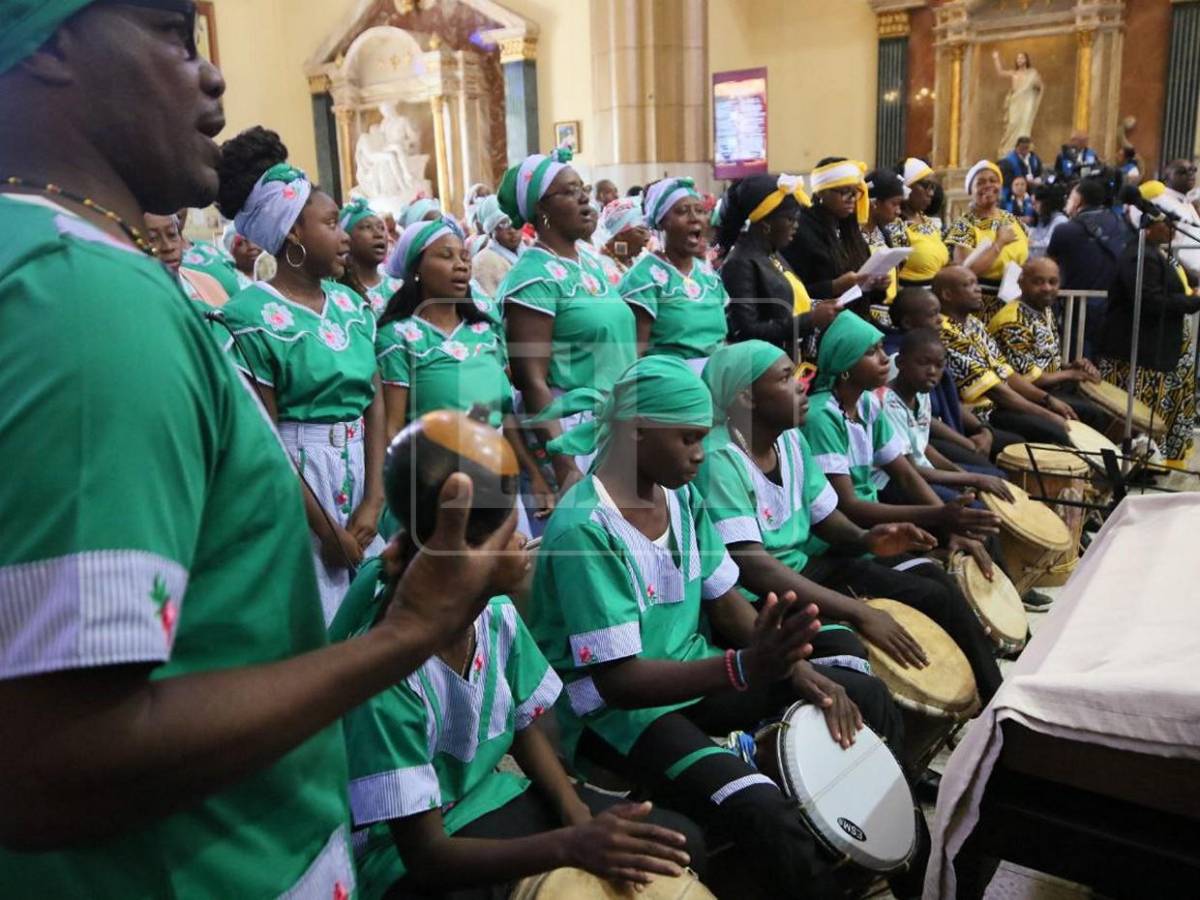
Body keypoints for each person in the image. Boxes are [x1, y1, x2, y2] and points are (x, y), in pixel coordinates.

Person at [0, 4, 519, 896]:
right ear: (48, 49)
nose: (211, 75)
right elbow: (58, 762)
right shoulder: (83, 292)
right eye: (168, 31)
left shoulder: (44, 261)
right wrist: (409, 634)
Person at [529, 355, 848, 899]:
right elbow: (619, 683)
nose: (702, 453)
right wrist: (743, 667)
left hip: (688, 674)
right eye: (689, 439)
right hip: (617, 716)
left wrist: (791, 669)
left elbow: (725, 603)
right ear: (637, 433)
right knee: (761, 807)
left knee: (846, 684)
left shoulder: (681, 497)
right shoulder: (585, 526)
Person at [333, 483, 702, 900]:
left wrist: (576, 813)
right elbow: (426, 855)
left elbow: (524, 722)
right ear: (463, 556)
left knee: (679, 843)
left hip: (493, 799)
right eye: (507, 534)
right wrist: (568, 846)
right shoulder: (387, 679)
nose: (524, 538)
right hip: (408, 859)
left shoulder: (497, 615)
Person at [217, 127, 386, 625]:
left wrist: (375, 499)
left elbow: (373, 401)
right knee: (319, 625)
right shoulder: (248, 314)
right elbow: (263, 440)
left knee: (376, 630)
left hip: (362, 476)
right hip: (300, 489)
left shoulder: (352, 306)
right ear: (293, 231)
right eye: (331, 223)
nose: (344, 236)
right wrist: (325, 530)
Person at [801, 313, 1004, 704]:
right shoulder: (823, 416)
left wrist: (952, 525)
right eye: (872, 352)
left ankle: (987, 685)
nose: (884, 359)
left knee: (945, 574)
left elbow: (908, 474)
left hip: (872, 531)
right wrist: (938, 517)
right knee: (936, 592)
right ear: (844, 366)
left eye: (881, 349)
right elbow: (849, 506)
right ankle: (989, 695)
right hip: (839, 542)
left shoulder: (867, 407)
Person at [375, 216, 553, 527]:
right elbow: (392, 429)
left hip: (498, 473)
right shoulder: (399, 336)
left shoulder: (484, 331)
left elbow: (504, 416)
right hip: (437, 480)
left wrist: (533, 475)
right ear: (416, 269)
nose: (460, 265)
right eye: (445, 256)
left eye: (463, 257)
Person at [495, 147, 636, 487]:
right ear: (542, 208)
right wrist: (564, 461)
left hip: (617, 422)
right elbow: (532, 380)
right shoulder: (532, 278)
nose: (586, 202)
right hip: (574, 431)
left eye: (583, 191)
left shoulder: (588, 263)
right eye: (570, 193)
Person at [1098, 205, 1200, 468]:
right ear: (1150, 226)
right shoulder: (1139, 256)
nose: (1172, 230)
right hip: (1138, 353)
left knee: (1153, 413)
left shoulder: (1156, 254)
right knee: (1139, 414)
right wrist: (1193, 302)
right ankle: (1133, 467)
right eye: (1167, 224)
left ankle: (1148, 463)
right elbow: (1149, 300)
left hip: (1152, 350)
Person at [935, 265, 1076, 446]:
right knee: (1054, 431)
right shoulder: (945, 332)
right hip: (979, 413)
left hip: (1002, 404)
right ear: (947, 295)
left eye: (976, 283)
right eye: (969, 285)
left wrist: (1047, 400)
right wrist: (1048, 413)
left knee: (1078, 414)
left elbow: (1007, 374)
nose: (978, 289)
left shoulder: (974, 324)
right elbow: (995, 391)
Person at [883, 329, 1014, 503]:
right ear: (900, 363)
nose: (932, 371)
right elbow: (909, 471)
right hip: (897, 483)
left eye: (939, 365)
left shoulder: (921, 394)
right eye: (923, 363)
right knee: (976, 505)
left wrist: (962, 475)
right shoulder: (885, 403)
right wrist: (972, 480)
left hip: (924, 472)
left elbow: (924, 448)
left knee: (1001, 478)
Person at [718, 173, 839, 357]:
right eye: (790, 219)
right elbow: (745, 331)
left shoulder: (771, 253)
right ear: (766, 224)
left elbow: (785, 306)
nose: (796, 226)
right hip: (763, 366)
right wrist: (809, 321)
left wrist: (818, 307)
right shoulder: (739, 263)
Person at [886, 288, 1007, 466]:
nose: (940, 320)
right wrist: (968, 444)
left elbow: (951, 403)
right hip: (927, 439)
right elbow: (922, 419)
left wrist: (983, 429)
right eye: (933, 314)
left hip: (948, 429)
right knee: (988, 469)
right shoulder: (899, 359)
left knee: (1014, 441)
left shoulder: (932, 350)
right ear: (908, 322)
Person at [621, 178, 729, 371]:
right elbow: (633, 356)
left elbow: (721, 339)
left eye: (700, 211)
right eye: (682, 211)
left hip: (717, 380)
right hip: (669, 385)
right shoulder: (644, 279)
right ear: (662, 222)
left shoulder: (708, 275)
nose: (695, 218)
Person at [988, 257, 1109, 428]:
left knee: (1103, 405)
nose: (1047, 288)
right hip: (1022, 398)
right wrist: (1071, 374)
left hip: (1050, 389)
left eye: (1053, 282)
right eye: (1038, 282)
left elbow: (1043, 361)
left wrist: (1071, 367)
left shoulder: (1044, 309)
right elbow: (1026, 379)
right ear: (1021, 282)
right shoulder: (1013, 322)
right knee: (1097, 413)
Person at [1046, 176, 1131, 357]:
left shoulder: (1065, 230)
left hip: (1074, 306)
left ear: (1078, 200)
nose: (1067, 202)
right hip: (1111, 305)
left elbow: (1048, 266)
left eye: (1069, 197)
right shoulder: (1118, 223)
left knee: (1076, 357)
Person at [785, 158, 885, 302]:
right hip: (825, 319)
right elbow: (792, 292)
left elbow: (868, 296)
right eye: (845, 192)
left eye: (855, 192)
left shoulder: (849, 226)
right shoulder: (801, 230)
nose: (851, 199)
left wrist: (877, 286)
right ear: (820, 193)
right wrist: (834, 287)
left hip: (858, 315)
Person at [946, 160, 1030, 320]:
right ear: (970, 190)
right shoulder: (964, 225)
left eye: (993, 181)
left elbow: (1025, 256)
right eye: (981, 182)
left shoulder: (1013, 220)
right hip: (980, 306)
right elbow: (965, 272)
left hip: (1014, 304)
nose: (988, 186)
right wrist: (999, 243)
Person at [144, 211, 228, 307]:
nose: (168, 247)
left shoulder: (208, 283)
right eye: (152, 239)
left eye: (172, 234)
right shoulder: (132, 297)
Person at [890, 158, 950, 289]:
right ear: (906, 186)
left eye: (932, 187)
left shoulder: (928, 221)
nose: (931, 193)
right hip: (912, 300)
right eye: (925, 185)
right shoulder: (895, 225)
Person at [338, 197, 402, 318]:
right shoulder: (336, 291)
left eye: (382, 228)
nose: (379, 234)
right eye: (367, 227)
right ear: (346, 238)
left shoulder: (399, 289)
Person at [862, 168, 907, 305]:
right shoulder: (853, 236)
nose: (898, 211)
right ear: (874, 203)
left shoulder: (884, 233)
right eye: (894, 204)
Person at [1153, 160, 1200, 278]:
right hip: (1183, 274)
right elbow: (1161, 246)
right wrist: (1182, 274)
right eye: (1182, 171)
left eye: (1193, 170)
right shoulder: (1161, 201)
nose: (1190, 174)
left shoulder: (1186, 201)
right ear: (1166, 177)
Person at [471, 194, 525, 296]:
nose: (512, 230)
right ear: (491, 232)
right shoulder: (483, 262)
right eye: (503, 224)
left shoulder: (530, 251)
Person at [992, 53, 1043, 159]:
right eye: (1018, 58)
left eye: (1022, 58)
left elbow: (1039, 86)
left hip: (1027, 101)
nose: (1020, 60)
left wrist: (1036, 84)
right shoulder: (1014, 73)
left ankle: (1023, 147)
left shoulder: (1032, 74)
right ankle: (1008, 148)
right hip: (1015, 101)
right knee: (1013, 123)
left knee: (1024, 124)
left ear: (1026, 60)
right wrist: (996, 58)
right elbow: (1000, 72)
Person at [595, 196, 651, 281]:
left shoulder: (641, 255)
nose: (648, 237)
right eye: (640, 231)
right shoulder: (602, 266)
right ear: (620, 234)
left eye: (647, 230)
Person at [1027, 183, 1067, 258]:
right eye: (1032, 203)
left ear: (1046, 202)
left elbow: (1048, 246)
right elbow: (1034, 236)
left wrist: (1029, 243)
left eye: (1036, 203)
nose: (1034, 207)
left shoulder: (1060, 220)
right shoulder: (1042, 218)